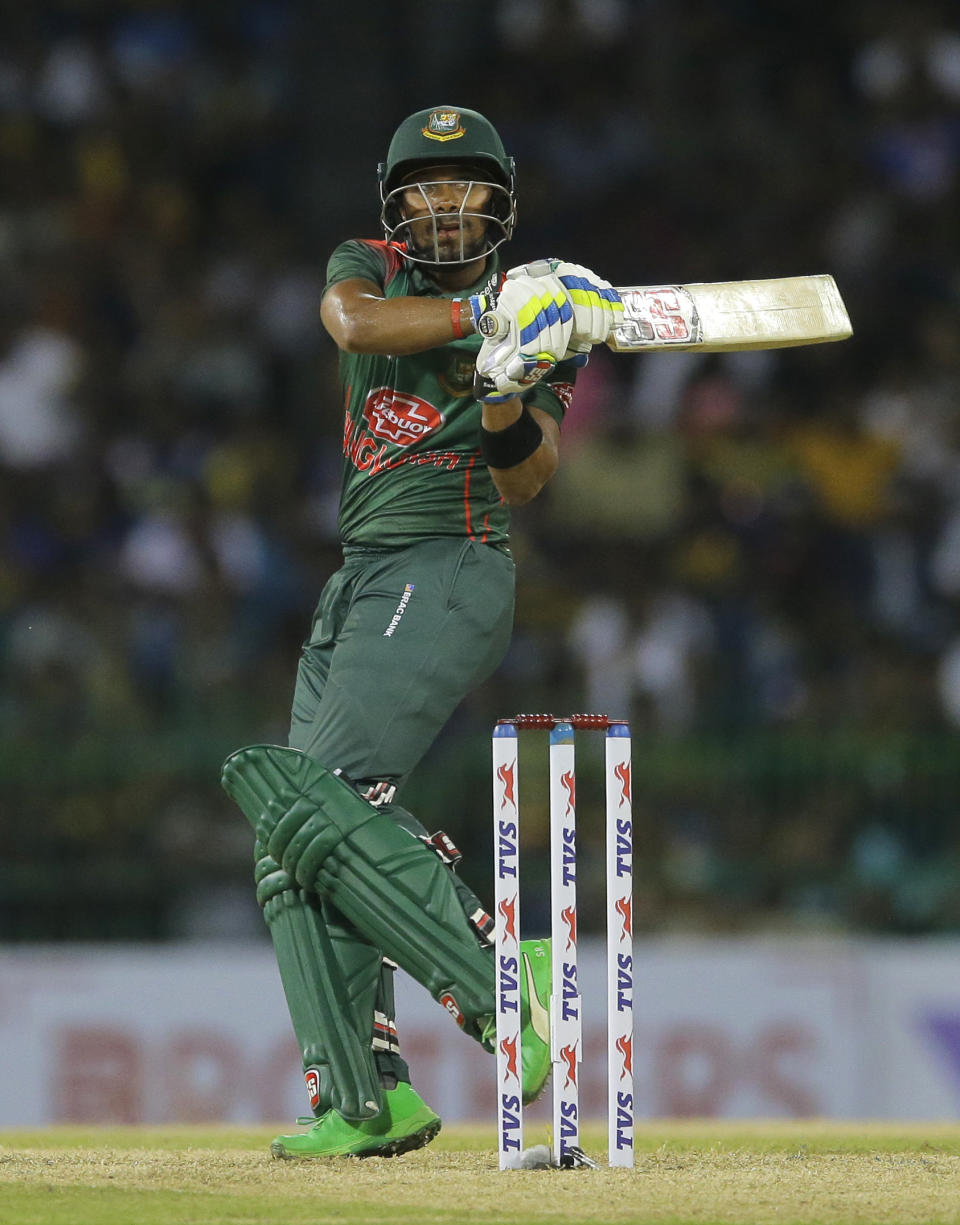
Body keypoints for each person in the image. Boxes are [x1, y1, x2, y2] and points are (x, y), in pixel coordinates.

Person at [221, 105, 622, 1159]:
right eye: (428, 188)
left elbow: (529, 476)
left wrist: (503, 389)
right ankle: (364, 1094)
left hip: (450, 563)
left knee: (331, 798)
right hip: (365, 569)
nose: (447, 202)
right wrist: (486, 321)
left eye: (467, 185)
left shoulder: (550, 315)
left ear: (500, 199)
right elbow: (353, 325)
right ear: (399, 204)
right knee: (290, 835)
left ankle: (504, 986)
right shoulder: (378, 268)